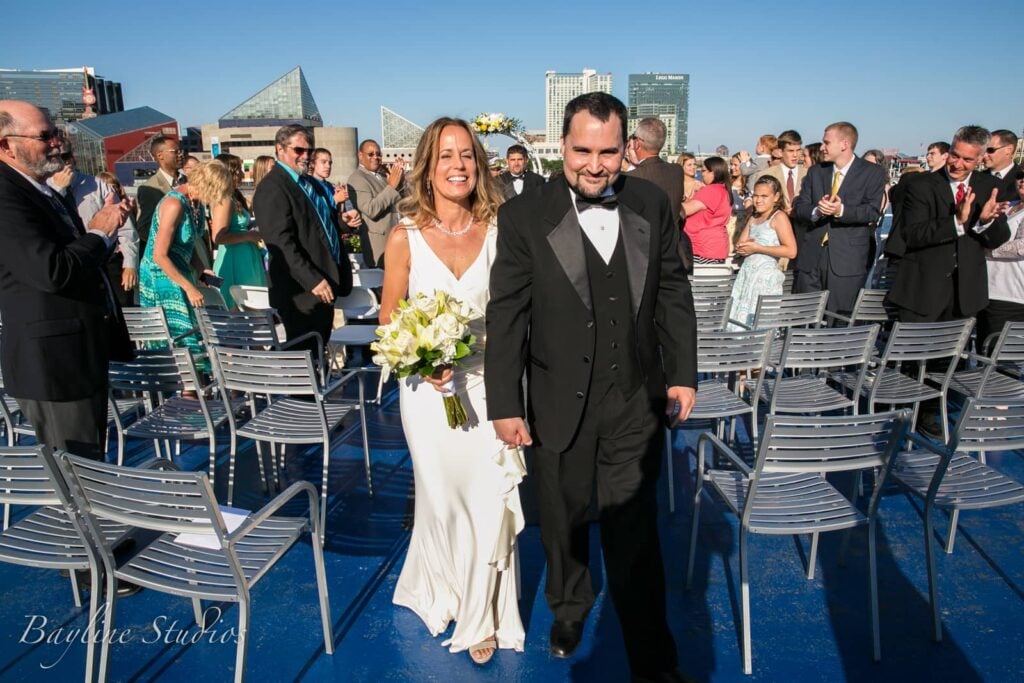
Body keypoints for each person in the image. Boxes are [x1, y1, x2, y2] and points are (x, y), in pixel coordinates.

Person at [485, 92, 697, 682]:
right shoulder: (523, 214)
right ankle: (570, 609)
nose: (595, 164)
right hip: (557, 400)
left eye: (608, 152)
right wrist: (505, 402)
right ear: (562, 145)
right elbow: (509, 313)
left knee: (635, 528)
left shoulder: (652, 203)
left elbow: (674, 292)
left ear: (627, 148)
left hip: (635, 398)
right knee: (563, 516)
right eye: (583, 150)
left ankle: (653, 655)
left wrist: (682, 372)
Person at [379, 117, 523, 665]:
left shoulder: (503, 232)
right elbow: (390, 319)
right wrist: (420, 357)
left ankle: (481, 613)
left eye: (466, 155)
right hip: (426, 393)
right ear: (427, 166)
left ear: (479, 165)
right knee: (441, 501)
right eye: (446, 156)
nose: (458, 165)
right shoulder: (403, 237)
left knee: (488, 498)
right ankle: (446, 589)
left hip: (490, 386)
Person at [0, 100, 133, 460]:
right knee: (80, 480)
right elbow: (52, 271)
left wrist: (103, 236)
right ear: (6, 145)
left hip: (78, 358)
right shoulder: (7, 194)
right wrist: (98, 233)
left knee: (90, 470)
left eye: (56, 133)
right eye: (45, 136)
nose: (57, 142)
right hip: (55, 367)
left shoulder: (38, 190)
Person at [885, 125, 1010, 436]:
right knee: (916, 356)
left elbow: (998, 237)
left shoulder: (988, 186)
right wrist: (956, 222)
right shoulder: (922, 185)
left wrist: (983, 223)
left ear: (980, 158)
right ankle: (909, 413)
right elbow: (912, 234)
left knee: (945, 357)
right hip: (923, 288)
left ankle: (930, 412)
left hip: (964, 289)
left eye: (967, 160)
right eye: (955, 155)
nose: (957, 164)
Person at [252, 125, 352, 354]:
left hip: (324, 284)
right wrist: (313, 280)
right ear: (280, 149)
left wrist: (344, 222)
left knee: (317, 352)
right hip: (301, 292)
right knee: (302, 358)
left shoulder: (310, 184)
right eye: (299, 150)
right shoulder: (273, 187)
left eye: (309, 150)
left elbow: (321, 225)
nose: (305, 156)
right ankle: (302, 391)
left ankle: (315, 388)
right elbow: (281, 243)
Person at [139, 160, 231, 362]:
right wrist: (189, 287)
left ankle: (194, 386)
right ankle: (186, 387)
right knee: (180, 333)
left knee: (195, 330)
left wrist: (202, 270)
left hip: (182, 269)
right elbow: (159, 255)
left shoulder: (195, 203)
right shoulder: (174, 204)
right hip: (161, 275)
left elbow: (189, 243)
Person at [792, 121, 887, 314]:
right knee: (803, 316)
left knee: (838, 319)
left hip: (846, 261)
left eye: (826, 142)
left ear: (844, 144)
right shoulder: (817, 172)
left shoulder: (872, 173)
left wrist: (840, 211)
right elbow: (800, 207)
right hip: (811, 258)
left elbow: (871, 211)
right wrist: (817, 211)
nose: (821, 147)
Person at [48, 146, 139, 308]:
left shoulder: (98, 185)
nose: (63, 162)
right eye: (57, 157)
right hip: (69, 261)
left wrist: (130, 264)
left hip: (106, 259)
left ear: (73, 157)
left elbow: (126, 228)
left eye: (66, 156)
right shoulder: (46, 189)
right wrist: (58, 189)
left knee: (122, 309)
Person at [729, 176, 798, 327]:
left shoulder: (779, 217)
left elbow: (791, 250)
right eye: (756, 196)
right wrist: (744, 248)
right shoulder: (754, 217)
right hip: (747, 277)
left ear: (776, 197)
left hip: (765, 281)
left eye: (764, 196)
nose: (758, 200)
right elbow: (740, 244)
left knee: (759, 324)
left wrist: (758, 248)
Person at [209, 154, 265, 308]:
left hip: (246, 255)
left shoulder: (235, 195)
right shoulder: (224, 198)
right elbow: (218, 237)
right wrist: (248, 235)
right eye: (237, 170)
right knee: (242, 306)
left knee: (252, 305)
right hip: (235, 259)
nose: (241, 173)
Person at [978, 171, 1024, 350]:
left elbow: (1021, 247)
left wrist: (988, 251)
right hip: (986, 287)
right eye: (1020, 175)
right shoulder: (1007, 205)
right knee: (982, 346)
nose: (1021, 180)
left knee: (999, 354)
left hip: (1010, 293)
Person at [347, 139, 404, 267]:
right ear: (360, 156)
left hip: (395, 239)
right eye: (371, 154)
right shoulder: (357, 178)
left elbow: (399, 202)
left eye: (378, 154)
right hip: (378, 246)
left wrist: (400, 181)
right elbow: (371, 209)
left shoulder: (383, 176)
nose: (376, 157)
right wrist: (391, 187)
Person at [683, 156, 733, 265]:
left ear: (713, 172)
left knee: (699, 280)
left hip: (703, 247)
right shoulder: (723, 190)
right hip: (715, 246)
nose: (702, 174)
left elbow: (685, 210)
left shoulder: (711, 191)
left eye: (704, 171)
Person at [136, 134, 184, 246]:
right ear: (160, 155)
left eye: (181, 151)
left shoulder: (188, 182)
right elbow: (144, 229)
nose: (181, 155)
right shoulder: (150, 189)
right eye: (175, 151)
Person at [982, 129, 1022, 201]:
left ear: (1009, 150)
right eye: (983, 150)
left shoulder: (1021, 178)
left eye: (990, 150)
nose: (984, 155)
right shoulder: (975, 178)